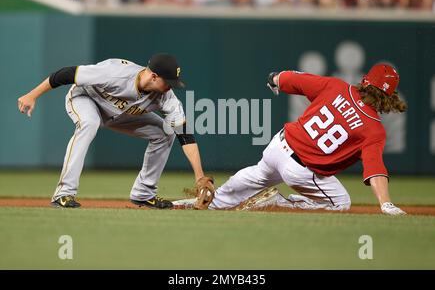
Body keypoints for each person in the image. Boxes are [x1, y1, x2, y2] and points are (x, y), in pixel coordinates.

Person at [208, 63, 407, 215]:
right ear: (389, 96)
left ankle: (213, 202)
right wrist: (385, 203)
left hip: (278, 145)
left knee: (258, 175)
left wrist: (276, 78)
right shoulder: (374, 128)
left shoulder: (337, 86)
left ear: (365, 80)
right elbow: (375, 170)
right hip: (300, 169)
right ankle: (278, 202)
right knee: (340, 203)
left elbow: (293, 80)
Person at [18, 53, 207, 209]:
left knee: (165, 132)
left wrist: (199, 177)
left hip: (120, 114)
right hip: (85, 99)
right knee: (89, 123)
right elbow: (64, 74)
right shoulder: (116, 73)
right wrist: (32, 95)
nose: (170, 87)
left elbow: (185, 134)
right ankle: (64, 193)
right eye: (168, 82)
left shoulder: (166, 97)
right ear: (153, 76)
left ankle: (144, 194)